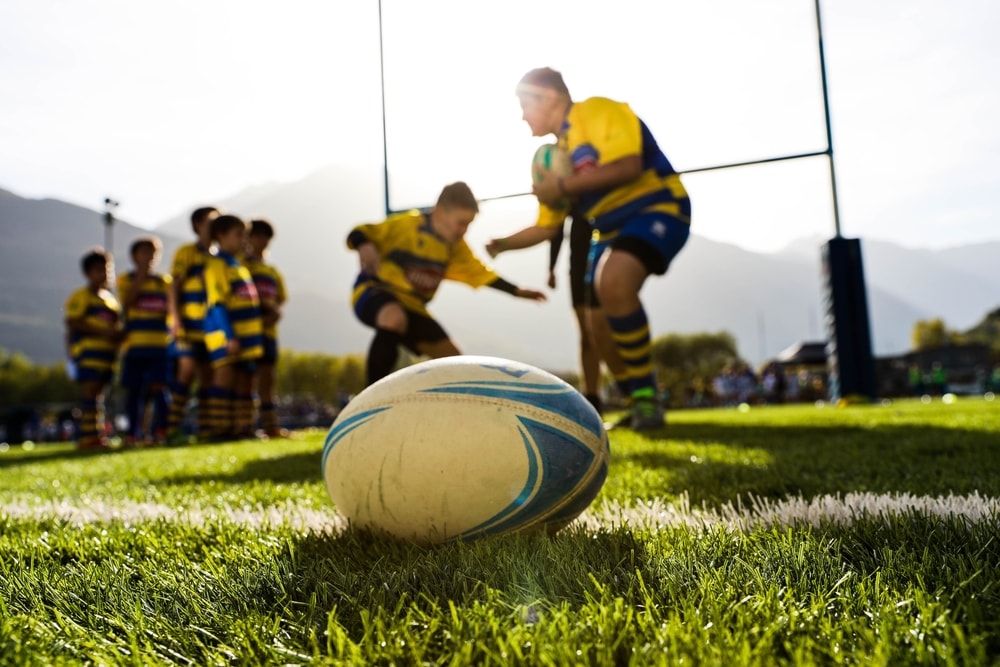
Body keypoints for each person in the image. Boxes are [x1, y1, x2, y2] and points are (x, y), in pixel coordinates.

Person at [487, 67, 691, 430]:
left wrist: (563, 185)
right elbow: (547, 225)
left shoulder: (596, 111)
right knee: (596, 325)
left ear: (549, 97)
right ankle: (636, 402)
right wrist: (502, 244)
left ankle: (648, 400)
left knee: (613, 281)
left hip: (656, 208)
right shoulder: (550, 156)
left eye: (525, 103)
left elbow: (629, 166)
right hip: (609, 231)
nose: (521, 115)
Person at [347, 181, 547, 386]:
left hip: (414, 308)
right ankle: (369, 397)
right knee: (394, 319)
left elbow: (480, 273)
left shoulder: (455, 247)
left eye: (469, 224)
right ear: (440, 212)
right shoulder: (408, 225)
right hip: (375, 291)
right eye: (461, 223)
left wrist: (516, 291)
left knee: (454, 362)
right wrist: (365, 245)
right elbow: (359, 231)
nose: (464, 230)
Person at [545, 204, 628, 417]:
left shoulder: (597, 178)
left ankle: (634, 394)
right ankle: (592, 404)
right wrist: (551, 267)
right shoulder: (566, 181)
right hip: (579, 264)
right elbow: (556, 226)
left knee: (606, 333)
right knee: (587, 336)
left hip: (608, 256)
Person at [202, 214, 265, 441]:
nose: (243, 240)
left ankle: (244, 427)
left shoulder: (238, 265)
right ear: (221, 236)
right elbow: (217, 303)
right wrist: (229, 336)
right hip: (227, 335)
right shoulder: (216, 265)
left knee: (246, 379)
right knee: (224, 377)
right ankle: (219, 429)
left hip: (248, 337)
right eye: (238, 235)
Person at [165, 206, 218, 445]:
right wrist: (175, 318)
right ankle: (170, 428)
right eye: (211, 221)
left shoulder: (218, 257)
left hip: (211, 328)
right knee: (186, 373)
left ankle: (206, 429)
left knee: (208, 377)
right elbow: (174, 286)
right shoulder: (186, 252)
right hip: (187, 326)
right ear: (197, 224)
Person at [116, 236, 174, 446]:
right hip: (135, 346)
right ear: (134, 256)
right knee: (134, 390)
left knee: (160, 389)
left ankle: (162, 432)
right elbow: (127, 302)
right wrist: (141, 276)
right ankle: (133, 434)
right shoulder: (126, 279)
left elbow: (172, 310)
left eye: (154, 253)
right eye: (145, 252)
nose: (150, 257)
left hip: (160, 345)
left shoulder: (163, 282)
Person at [64, 248, 122, 450]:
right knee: (90, 393)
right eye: (99, 270)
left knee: (99, 395)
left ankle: (96, 434)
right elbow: (73, 322)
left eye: (107, 269)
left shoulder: (110, 301)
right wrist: (72, 354)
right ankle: (88, 436)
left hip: (107, 356)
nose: (104, 274)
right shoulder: (82, 296)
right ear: (88, 273)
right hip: (88, 354)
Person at [243, 218, 288, 438]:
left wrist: (275, 313)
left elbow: (280, 300)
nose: (262, 241)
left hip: (269, 332)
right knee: (248, 379)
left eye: (266, 237)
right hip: (248, 331)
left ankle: (271, 427)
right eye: (257, 235)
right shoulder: (242, 265)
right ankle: (248, 426)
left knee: (267, 380)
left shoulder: (272, 271)